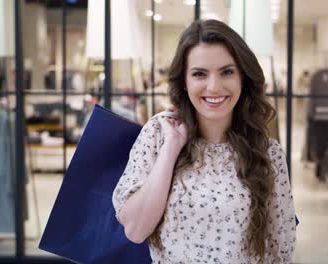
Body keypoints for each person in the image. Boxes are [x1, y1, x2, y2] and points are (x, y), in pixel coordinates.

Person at [112, 19, 296, 263]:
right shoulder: (159, 133)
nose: (214, 86)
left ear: (243, 78)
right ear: (184, 83)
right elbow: (135, 230)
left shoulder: (268, 153)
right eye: (200, 74)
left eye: (227, 72)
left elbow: (280, 250)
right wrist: (171, 149)